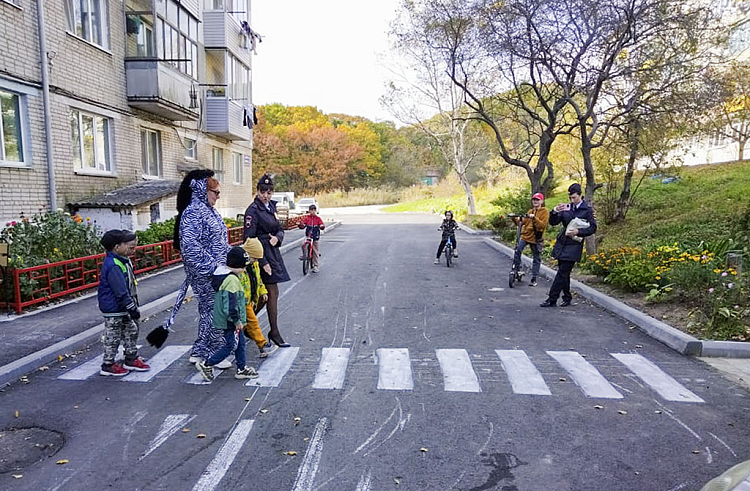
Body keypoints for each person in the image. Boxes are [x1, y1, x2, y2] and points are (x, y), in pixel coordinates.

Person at [174, 170, 231, 366]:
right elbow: (189, 247)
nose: (218, 196)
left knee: (209, 310)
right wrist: (214, 267)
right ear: (201, 190)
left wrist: (233, 255)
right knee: (216, 310)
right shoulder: (193, 212)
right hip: (206, 272)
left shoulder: (208, 210)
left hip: (217, 270)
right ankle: (214, 353)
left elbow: (218, 241)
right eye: (215, 192)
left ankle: (199, 351)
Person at [196, 247, 260, 382]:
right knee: (231, 345)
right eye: (243, 267)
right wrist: (237, 320)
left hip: (229, 319)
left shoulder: (224, 275)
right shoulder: (231, 280)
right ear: (236, 265)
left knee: (240, 343)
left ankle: (241, 368)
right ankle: (207, 364)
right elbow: (231, 304)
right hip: (230, 320)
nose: (244, 270)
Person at [244, 174, 291, 348]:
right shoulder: (253, 210)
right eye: (263, 191)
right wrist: (263, 262)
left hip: (273, 251)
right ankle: (268, 330)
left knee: (269, 294)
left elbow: (279, 228)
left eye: (269, 192)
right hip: (260, 255)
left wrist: (277, 238)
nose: (266, 195)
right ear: (257, 191)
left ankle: (255, 327)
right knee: (268, 294)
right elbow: (249, 239)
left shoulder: (271, 206)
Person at [97, 229, 150, 376]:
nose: (132, 250)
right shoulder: (114, 265)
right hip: (114, 308)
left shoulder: (122, 261)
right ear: (116, 247)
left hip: (122, 307)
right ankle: (108, 364)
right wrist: (131, 306)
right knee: (112, 336)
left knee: (131, 330)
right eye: (129, 246)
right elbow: (120, 290)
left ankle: (131, 357)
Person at [540, 183, 597, 307]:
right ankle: (567, 297)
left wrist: (579, 232)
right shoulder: (567, 207)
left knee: (562, 272)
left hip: (575, 243)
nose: (572, 200)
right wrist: (554, 211)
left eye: (574, 198)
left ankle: (552, 298)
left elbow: (593, 228)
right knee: (564, 272)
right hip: (563, 242)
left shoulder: (587, 209)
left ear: (580, 196)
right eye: (570, 198)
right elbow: (554, 222)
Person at [240, 237, 277, 358]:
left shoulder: (254, 264)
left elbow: (258, 280)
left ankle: (235, 344)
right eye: (254, 258)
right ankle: (263, 345)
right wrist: (244, 299)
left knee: (245, 324)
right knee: (253, 323)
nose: (255, 260)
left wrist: (263, 292)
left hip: (250, 299)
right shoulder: (240, 268)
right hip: (243, 300)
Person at [512, 193, 550, 287]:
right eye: (534, 200)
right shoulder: (530, 211)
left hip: (536, 238)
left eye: (537, 200)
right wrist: (514, 218)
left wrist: (534, 218)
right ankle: (517, 269)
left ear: (542, 201)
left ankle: (534, 277)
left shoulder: (544, 212)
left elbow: (542, 225)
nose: (535, 201)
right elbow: (521, 222)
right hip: (525, 236)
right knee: (518, 250)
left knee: (536, 257)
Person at [297, 204, 326, 273]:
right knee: (302, 244)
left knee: (315, 251)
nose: (312, 212)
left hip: (315, 236)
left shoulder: (318, 218)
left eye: (314, 210)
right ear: (309, 211)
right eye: (311, 210)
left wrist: (322, 226)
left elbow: (322, 225)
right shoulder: (307, 218)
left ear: (315, 211)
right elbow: (303, 225)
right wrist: (300, 225)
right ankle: (305, 254)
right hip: (308, 236)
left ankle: (315, 266)